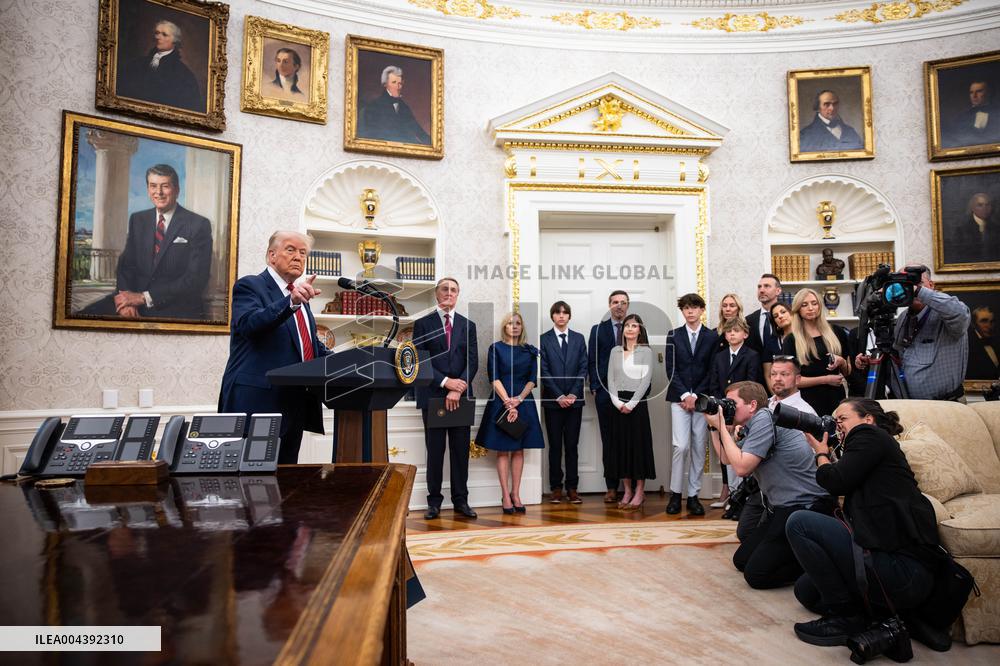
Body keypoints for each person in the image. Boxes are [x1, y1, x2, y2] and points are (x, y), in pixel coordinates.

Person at [786, 399, 943, 650]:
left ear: (868, 419)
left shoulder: (870, 435)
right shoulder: (871, 450)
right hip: (892, 566)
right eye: (834, 420)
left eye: (842, 419)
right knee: (806, 591)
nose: (837, 425)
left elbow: (834, 481)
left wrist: (821, 453)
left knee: (799, 523)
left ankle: (846, 619)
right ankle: (889, 617)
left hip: (902, 568)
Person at [705, 381, 834, 589]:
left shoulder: (765, 418)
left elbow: (742, 468)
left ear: (752, 405)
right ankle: (796, 553)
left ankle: (820, 563)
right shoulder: (754, 424)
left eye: (732, 403)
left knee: (757, 576)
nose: (727, 407)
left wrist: (721, 425)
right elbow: (727, 458)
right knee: (741, 560)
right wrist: (714, 427)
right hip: (783, 506)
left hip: (805, 507)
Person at [217, 231, 329, 464]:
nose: (298, 257)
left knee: (285, 481)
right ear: (271, 256)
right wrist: (291, 302)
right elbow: (250, 324)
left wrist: (350, 361)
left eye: (303, 253)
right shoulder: (251, 286)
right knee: (251, 481)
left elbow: (308, 344)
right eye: (290, 249)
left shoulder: (298, 297)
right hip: (257, 405)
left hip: (294, 406)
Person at [80, 164, 212, 320]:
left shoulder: (198, 224)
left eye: (165, 186)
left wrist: (143, 297)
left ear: (176, 190)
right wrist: (127, 301)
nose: (159, 192)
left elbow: (196, 279)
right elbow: (126, 265)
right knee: (80, 317)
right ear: (148, 189)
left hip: (173, 305)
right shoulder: (138, 219)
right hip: (133, 301)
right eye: (153, 186)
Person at [412, 277, 479, 519]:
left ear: (457, 295)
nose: (449, 293)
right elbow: (420, 361)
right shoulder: (422, 324)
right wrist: (445, 382)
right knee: (435, 452)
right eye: (445, 289)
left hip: (460, 397)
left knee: (460, 453)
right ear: (436, 294)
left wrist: (457, 388)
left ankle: (461, 501)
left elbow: (473, 361)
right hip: (433, 396)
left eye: (453, 290)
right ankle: (434, 503)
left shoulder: (468, 325)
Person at [855, 265, 970, 401]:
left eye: (917, 283)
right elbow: (899, 358)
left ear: (931, 285)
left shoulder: (945, 316)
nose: (909, 289)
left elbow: (959, 312)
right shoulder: (903, 317)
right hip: (908, 404)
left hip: (945, 404)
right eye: (904, 285)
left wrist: (917, 291)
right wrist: (872, 360)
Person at [476, 312, 545, 514]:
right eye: (510, 323)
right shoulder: (496, 348)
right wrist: (508, 401)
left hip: (523, 402)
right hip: (501, 400)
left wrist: (519, 400)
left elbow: (532, 379)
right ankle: (505, 495)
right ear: (504, 327)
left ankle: (516, 494)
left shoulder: (529, 351)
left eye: (518, 323)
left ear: (522, 327)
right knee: (503, 449)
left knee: (518, 449)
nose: (514, 326)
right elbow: (494, 377)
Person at [664, 293, 719, 516]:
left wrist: (696, 396)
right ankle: (676, 494)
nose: (690, 311)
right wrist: (685, 395)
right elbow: (671, 369)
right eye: (686, 308)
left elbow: (712, 369)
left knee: (698, 446)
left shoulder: (712, 337)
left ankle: (694, 495)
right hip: (678, 399)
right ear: (682, 311)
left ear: (701, 310)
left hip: (702, 400)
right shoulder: (673, 335)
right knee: (681, 447)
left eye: (694, 307)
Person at [708, 317, 761, 518]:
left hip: (743, 410)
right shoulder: (719, 357)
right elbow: (714, 384)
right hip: (724, 410)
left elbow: (751, 383)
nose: (732, 334)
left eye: (736, 331)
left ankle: (743, 497)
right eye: (729, 331)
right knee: (726, 454)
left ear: (745, 334)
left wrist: (737, 413)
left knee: (741, 452)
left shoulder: (752, 355)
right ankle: (732, 495)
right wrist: (722, 409)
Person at [540, 301, 588, 504]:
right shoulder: (543, 339)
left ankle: (572, 488)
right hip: (553, 402)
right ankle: (556, 488)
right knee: (555, 446)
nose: (561, 316)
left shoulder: (579, 338)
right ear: (552, 316)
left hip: (575, 402)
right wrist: (559, 396)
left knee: (572, 445)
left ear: (569, 316)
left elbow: (583, 367)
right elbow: (544, 370)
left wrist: (573, 394)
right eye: (557, 313)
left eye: (565, 313)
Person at [607, 314, 656, 511]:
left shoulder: (646, 352)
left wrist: (632, 404)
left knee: (638, 447)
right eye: (627, 325)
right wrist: (618, 403)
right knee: (621, 448)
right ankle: (627, 491)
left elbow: (646, 380)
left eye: (634, 326)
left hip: (637, 405)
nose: (629, 329)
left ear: (639, 330)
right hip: (618, 405)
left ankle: (639, 491)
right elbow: (610, 379)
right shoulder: (615, 351)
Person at [781, 288, 851, 417]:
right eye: (804, 305)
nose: (810, 308)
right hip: (807, 402)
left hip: (836, 399)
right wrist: (825, 379)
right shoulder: (791, 340)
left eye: (814, 303)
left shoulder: (837, 332)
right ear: (798, 309)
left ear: (819, 305)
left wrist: (841, 362)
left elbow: (848, 373)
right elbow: (792, 380)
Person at [589, 290, 630, 503]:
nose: (619, 306)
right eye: (615, 302)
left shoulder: (635, 328)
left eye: (623, 302)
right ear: (609, 304)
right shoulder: (597, 330)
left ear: (628, 306)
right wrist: (595, 386)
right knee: (609, 440)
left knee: (629, 440)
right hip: (604, 392)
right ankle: (612, 487)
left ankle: (632, 487)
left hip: (630, 392)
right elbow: (592, 360)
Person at [118, 20, 203, 113]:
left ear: (175, 40)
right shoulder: (138, 63)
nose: (158, 37)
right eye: (157, 33)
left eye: (164, 35)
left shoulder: (183, 74)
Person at [357, 65, 431, 145]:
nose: (398, 87)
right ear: (385, 84)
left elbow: (417, 129)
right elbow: (371, 136)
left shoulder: (404, 107)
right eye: (394, 82)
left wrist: (433, 144)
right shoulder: (374, 107)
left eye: (400, 83)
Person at [943, 192, 1000, 266]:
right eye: (980, 205)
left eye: (987, 205)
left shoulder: (997, 228)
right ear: (972, 207)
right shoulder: (962, 229)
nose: (985, 208)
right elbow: (957, 255)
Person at [799, 90, 863, 152]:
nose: (832, 108)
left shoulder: (850, 131)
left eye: (835, 104)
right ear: (818, 107)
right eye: (827, 104)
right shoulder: (805, 135)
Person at [943, 80, 1000, 147]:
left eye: (979, 91)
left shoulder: (998, 113)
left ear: (989, 93)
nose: (974, 96)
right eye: (971, 92)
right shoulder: (961, 117)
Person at [746, 274, 784, 368]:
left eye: (767, 286)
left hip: (785, 370)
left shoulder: (789, 317)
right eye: (759, 287)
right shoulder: (748, 320)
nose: (761, 290)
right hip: (756, 372)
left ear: (778, 291)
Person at [763, 301, 793, 392]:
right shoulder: (771, 342)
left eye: (783, 312)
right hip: (779, 392)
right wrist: (776, 396)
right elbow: (768, 375)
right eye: (775, 316)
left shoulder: (804, 338)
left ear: (792, 314)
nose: (780, 316)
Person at [968, 306, 999, 380]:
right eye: (984, 321)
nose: (989, 325)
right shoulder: (968, 347)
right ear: (974, 324)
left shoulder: (996, 342)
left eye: (992, 321)